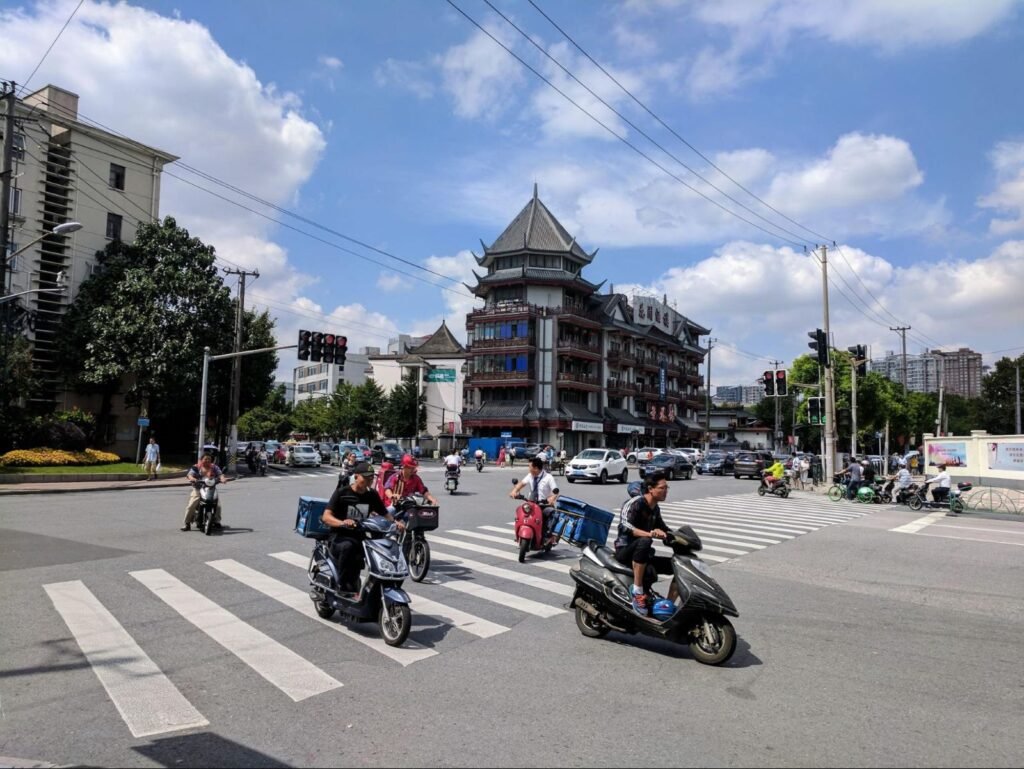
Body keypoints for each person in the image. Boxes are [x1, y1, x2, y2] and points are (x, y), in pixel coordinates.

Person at [321, 462, 403, 594]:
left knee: (383, 550)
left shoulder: (372, 495)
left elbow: (385, 514)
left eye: (372, 477)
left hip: (360, 536)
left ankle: (376, 588)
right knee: (348, 547)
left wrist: (395, 522)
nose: (370, 480)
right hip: (339, 536)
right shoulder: (342, 493)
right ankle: (342, 585)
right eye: (366, 477)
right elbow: (326, 517)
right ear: (357, 476)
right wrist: (342, 523)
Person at [613, 471, 676, 615]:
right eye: (662, 488)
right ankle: (637, 591)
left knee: (677, 566)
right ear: (650, 488)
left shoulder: (655, 509)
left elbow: (664, 528)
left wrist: (678, 538)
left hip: (643, 553)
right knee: (645, 540)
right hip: (625, 551)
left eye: (667, 488)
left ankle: (668, 606)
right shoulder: (635, 503)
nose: (665, 491)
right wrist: (651, 534)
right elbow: (626, 527)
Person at [509, 456, 560, 538]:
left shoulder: (548, 477)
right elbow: (521, 484)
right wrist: (514, 491)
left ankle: (550, 536)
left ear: (535, 468)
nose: (528, 469)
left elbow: (555, 491)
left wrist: (552, 498)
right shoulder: (530, 475)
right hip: (531, 503)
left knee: (549, 515)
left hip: (544, 504)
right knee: (520, 512)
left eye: (529, 467)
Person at [181, 454, 227, 531]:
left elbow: (220, 474)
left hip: (211, 489)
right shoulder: (196, 467)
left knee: (218, 505)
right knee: (192, 504)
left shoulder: (214, 467)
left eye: (209, 459)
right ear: (202, 460)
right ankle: (187, 523)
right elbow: (189, 475)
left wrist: (223, 479)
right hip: (198, 489)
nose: (207, 460)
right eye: (205, 459)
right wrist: (193, 479)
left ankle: (217, 521)